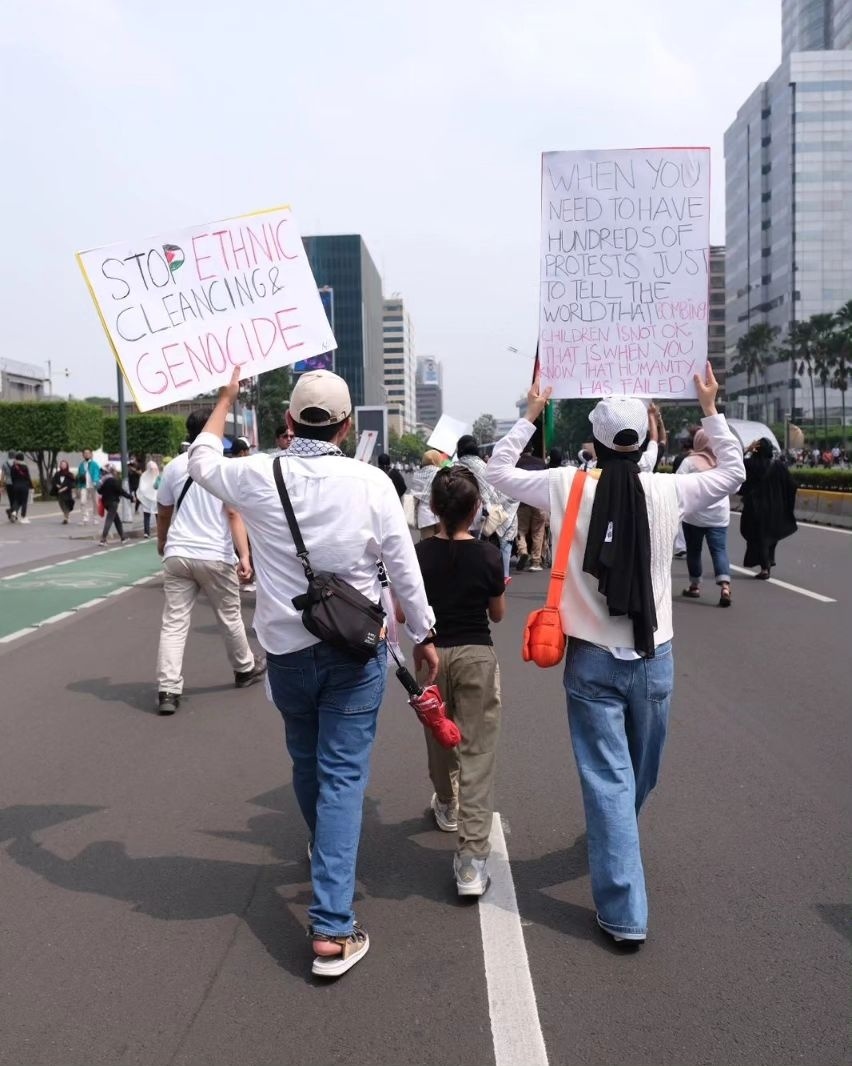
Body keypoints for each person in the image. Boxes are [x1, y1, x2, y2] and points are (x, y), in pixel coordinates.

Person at [188, 367, 438, 978]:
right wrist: (425, 633)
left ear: (290, 422)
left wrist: (224, 400)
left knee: (308, 762)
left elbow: (198, 460)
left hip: (287, 651)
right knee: (344, 777)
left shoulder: (256, 474)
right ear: (348, 426)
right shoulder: (372, 482)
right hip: (356, 653)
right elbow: (402, 568)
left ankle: (321, 848)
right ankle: (330, 926)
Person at [485, 363, 744, 945]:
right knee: (629, 777)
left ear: (596, 442)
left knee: (614, 782)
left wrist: (530, 414)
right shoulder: (669, 488)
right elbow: (733, 470)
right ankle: (625, 907)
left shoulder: (563, 485)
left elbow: (497, 471)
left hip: (590, 660)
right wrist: (710, 409)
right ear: (650, 440)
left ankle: (617, 851)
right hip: (654, 658)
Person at [411, 466, 505, 896]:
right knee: (477, 753)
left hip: (430, 655)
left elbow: (402, 612)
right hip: (475, 653)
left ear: (432, 507)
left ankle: (446, 803)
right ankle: (470, 861)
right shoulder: (488, 554)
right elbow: (497, 614)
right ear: (476, 509)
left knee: (438, 738)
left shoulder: (418, 553)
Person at [155, 411, 266, 715]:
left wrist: (162, 542)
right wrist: (244, 555)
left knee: (174, 623)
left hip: (178, 552)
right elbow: (233, 513)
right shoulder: (222, 467)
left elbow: (163, 510)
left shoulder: (174, 467)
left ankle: (168, 689)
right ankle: (244, 669)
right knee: (229, 615)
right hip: (215, 554)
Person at [676, 429, 733, 606]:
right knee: (719, 550)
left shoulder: (689, 462)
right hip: (719, 515)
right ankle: (725, 586)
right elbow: (734, 487)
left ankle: (694, 586)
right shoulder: (723, 462)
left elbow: (677, 483)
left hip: (694, 515)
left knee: (694, 551)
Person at [456, 435, 519, 582]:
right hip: (481, 512)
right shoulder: (485, 467)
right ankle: (498, 574)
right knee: (479, 543)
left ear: (460, 449)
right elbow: (494, 491)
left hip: (459, 509)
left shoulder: (455, 466)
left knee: (461, 543)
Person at [740, 438, 798, 579]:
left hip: (754, 508)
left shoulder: (749, 464)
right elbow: (792, 485)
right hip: (775, 508)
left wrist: (747, 450)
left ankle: (765, 566)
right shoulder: (779, 466)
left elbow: (733, 466)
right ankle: (768, 561)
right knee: (770, 536)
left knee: (759, 537)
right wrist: (784, 501)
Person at [515, 442, 547, 571]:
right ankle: (535, 562)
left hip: (522, 502)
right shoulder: (541, 463)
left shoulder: (516, 464)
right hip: (539, 501)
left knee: (521, 529)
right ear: (532, 449)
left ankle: (522, 550)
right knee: (538, 531)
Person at [410, 450, 444, 539]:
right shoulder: (443, 473)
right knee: (441, 543)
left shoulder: (417, 475)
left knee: (427, 545)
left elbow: (414, 497)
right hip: (440, 513)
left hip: (424, 516)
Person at [96, 465, 132, 545]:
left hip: (105, 503)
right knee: (109, 520)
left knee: (117, 520)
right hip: (113, 503)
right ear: (112, 471)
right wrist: (131, 497)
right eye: (115, 471)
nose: (116, 472)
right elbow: (121, 491)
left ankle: (123, 537)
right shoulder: (114, 480)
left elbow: (100, 491)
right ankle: (103, 539)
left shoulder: (104, 480)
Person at [76, 448, 101, 524]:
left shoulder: (94, 464)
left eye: (88, 453)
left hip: (94, 485)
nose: (86, 454)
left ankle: (96, 518)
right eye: (85, 453)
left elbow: (97, 473)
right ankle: (85, 518)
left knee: (95, 502)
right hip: (84, 486)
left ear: (91, 454)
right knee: (82, 502)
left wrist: (95, 481)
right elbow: (79, 476)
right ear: (83, 455)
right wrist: (78, 486)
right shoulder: (81, 465)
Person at [136, 460, 160, 538]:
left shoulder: (150, 475)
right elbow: (142, 488)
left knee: (157, 516)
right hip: (149, 499)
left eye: (155, 469)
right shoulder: (145, 476)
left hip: (154, 499)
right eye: (152, 469)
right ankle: (146, 532)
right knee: (148, 515)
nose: (154, 470)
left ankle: (159, 531)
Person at [8, 453, 32, 523]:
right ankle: (23, 517)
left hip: (15, 486)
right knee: (24, 501)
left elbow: (12, 477)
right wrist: (31, 486)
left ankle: (14, 512)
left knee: (16, 500)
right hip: (24, 486)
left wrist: (14, 484)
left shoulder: (13, 466)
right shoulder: (25, 466)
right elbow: (28, 477)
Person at [51, 460, 76, 524]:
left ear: (67, 465)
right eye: (62, 464)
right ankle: (66, 516)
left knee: (66, 505)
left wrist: (64, 488)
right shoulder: (57, 474)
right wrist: (57, 485)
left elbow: (71, 484)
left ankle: (65, 518)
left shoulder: (69, 474)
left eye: (64, 464)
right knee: (61, 504)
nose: (63, 465)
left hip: (67, 492)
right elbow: (53, 481)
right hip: (59, 492)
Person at [2, 451, 15, 520]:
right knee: (16, 500)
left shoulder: (4, 463)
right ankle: (12, 513)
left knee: (11, 499)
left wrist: (2, 485)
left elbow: (3, 475)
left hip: (8, 483)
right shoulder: (16, 463)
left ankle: (12, 513)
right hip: (16, 483)